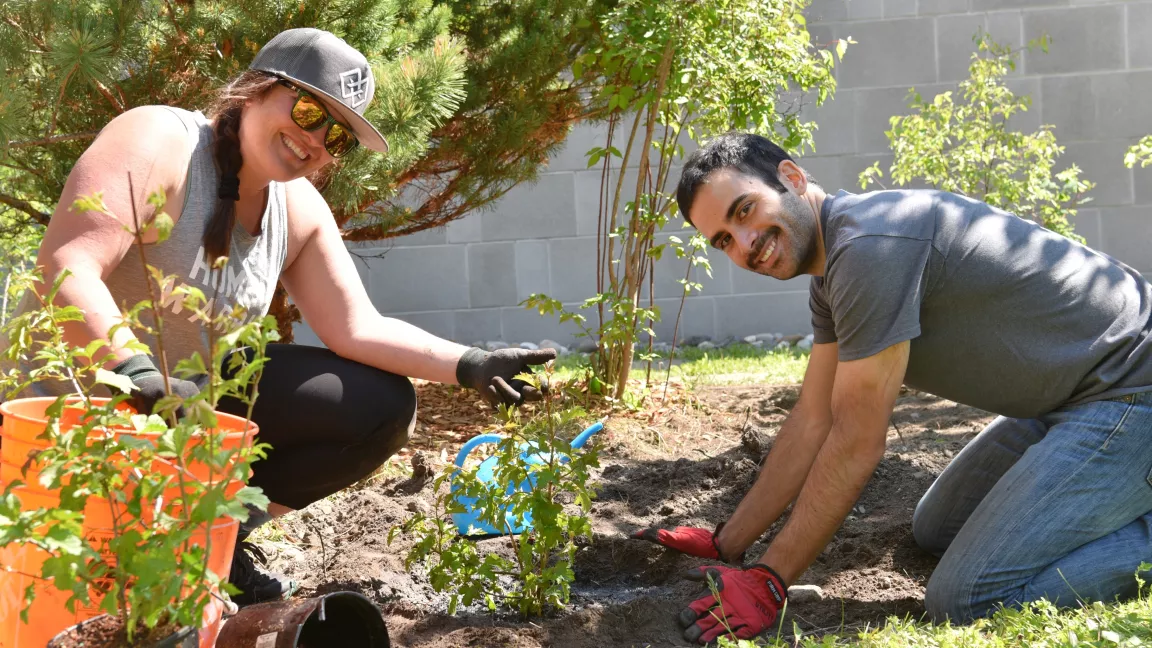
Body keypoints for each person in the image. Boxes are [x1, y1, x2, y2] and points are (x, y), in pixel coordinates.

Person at [4, 28, 553, 606]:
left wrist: (472, 364)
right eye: (309, 109)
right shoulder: (158, 140)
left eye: (336, 134)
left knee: (380, 406)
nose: (315, 139)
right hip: (64, 418)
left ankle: (218, 542)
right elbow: (66, 267)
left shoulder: (296, 209)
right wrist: (140, 376)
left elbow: (355, 328)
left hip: (183, 417)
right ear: (256, 89)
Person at [631, 131, 1152, 643]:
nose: (744, 244)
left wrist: (770, 580)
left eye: (744, 211)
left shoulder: (871, 248)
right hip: (1065, 397)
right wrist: (728, 543)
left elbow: (857, 440)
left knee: (965, 598)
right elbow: (814, 420)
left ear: (790, 177)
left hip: (1131, 390)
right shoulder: (833, 271)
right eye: (723, 239)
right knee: (937, 527)